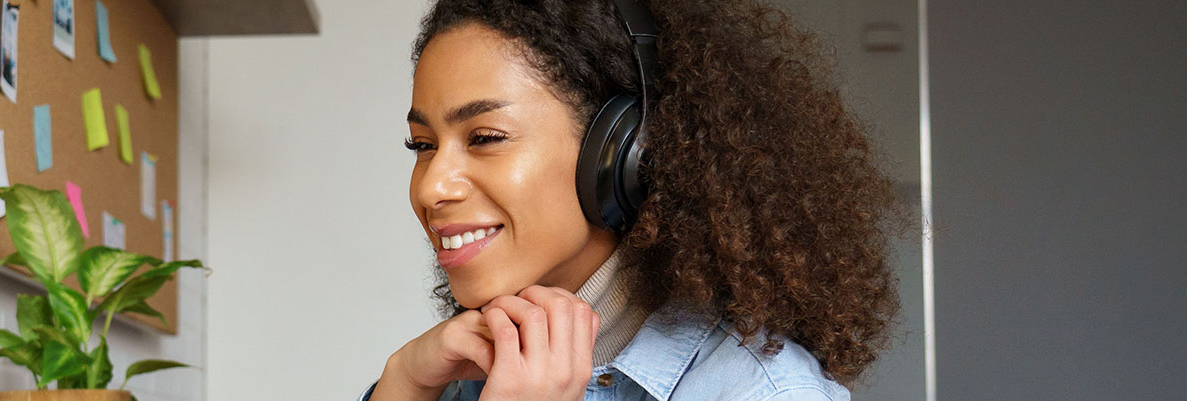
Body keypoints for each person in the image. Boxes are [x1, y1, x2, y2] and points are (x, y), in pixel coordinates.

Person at [366, 0, 905, 400]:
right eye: (423, 145)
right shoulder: (459, 375)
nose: (432, 188)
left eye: (485, 138)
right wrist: (402, 386)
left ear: (626, 153)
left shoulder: (762, 393)